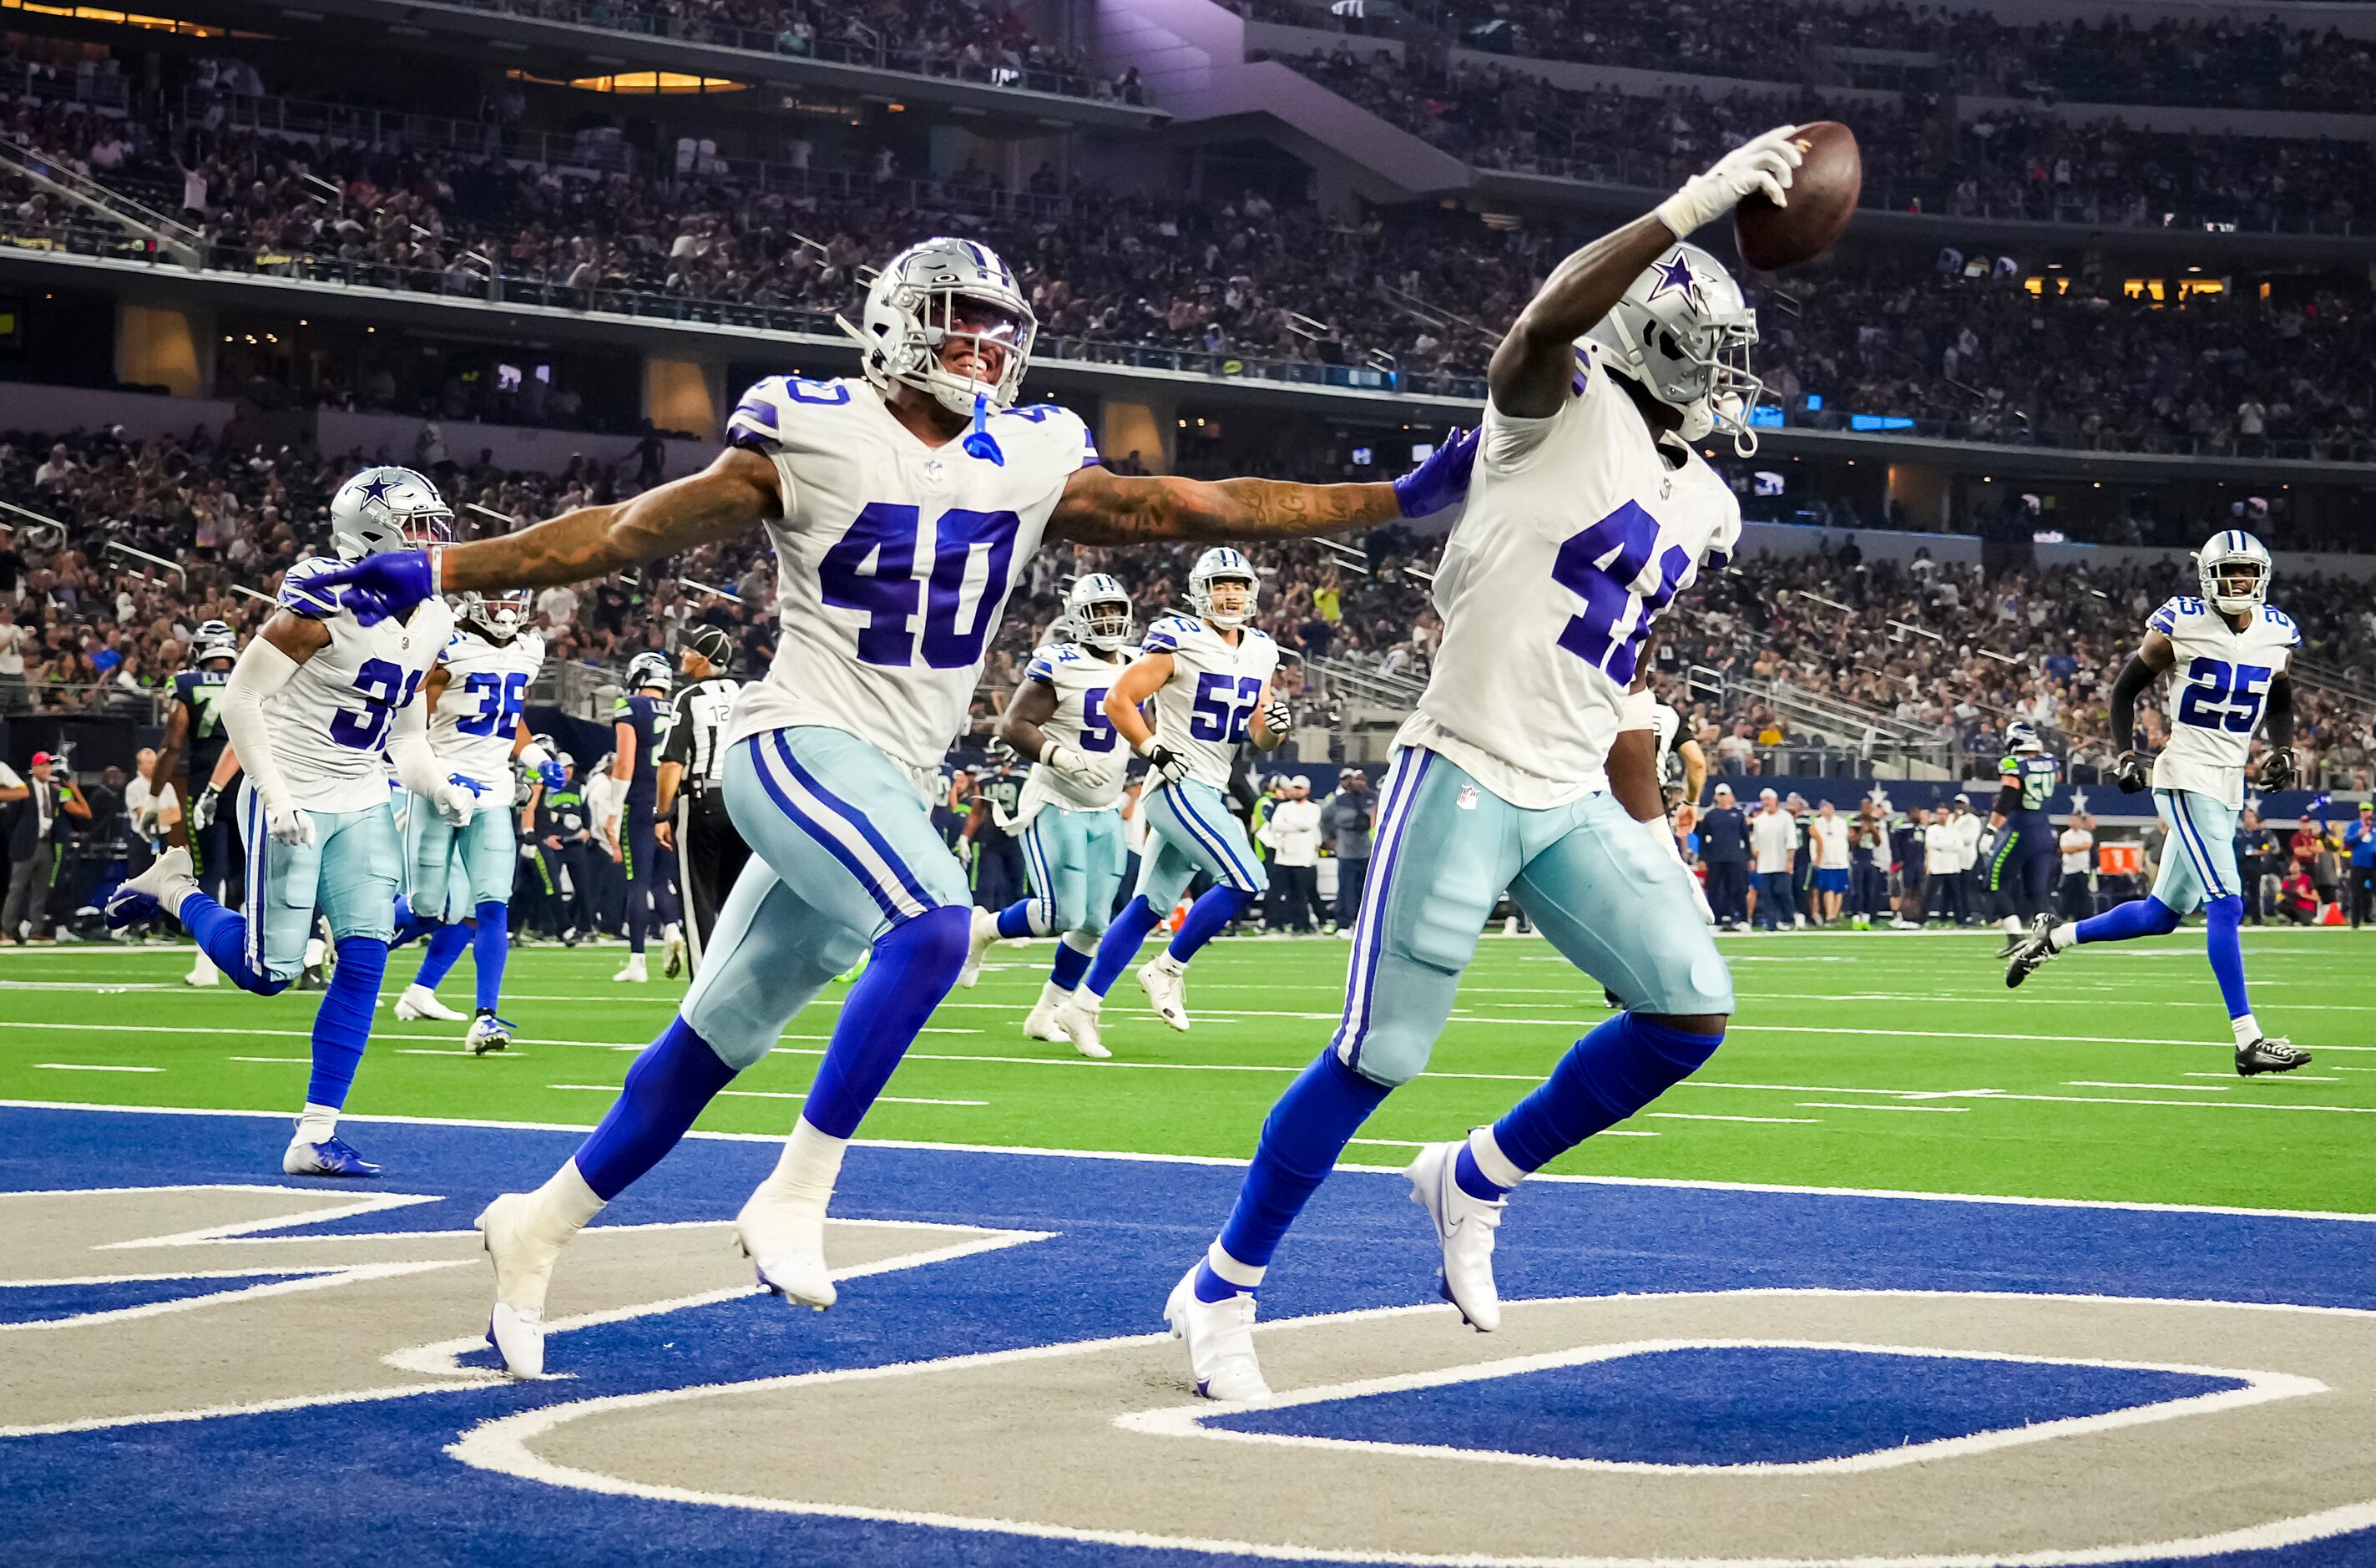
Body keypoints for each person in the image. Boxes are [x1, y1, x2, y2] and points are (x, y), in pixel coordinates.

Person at [305, 232, 1478, 1377]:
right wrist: (446, 568)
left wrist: (1391, 496)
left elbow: (1201, 504)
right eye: (954, 320)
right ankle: (796, 1190)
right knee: (937, 926)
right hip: (794, 740)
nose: (977, 348)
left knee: (717, 1036)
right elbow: (616, 536)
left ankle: (540, 1222)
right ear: (891, 325)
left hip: (892, 776)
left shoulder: (1027, 454)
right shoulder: (812, 430)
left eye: (995, 329)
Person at [1164, 128, 1788, 1400]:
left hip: (1568, 788)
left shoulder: (1709, 501)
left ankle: (1474, 1174)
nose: (1726, 377)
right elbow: (1538, 327)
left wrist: (1651, 828)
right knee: (1376, 1055)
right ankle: (1220, 1289)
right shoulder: (1551, 409)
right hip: (1461, 767)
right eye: (1706, 350)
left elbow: (1611, 677)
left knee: (1687, 1010)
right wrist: (1688, 206)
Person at [105, 467, 475, 1173]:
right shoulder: (320, 606)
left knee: (365, 956)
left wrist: (436, 786)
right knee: (266, 971)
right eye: (419, 527)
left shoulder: (434, 618)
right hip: (293, 793)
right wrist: (275, 797)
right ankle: (174, 887)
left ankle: (314, 1135)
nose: (435, 541)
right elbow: (241, 700)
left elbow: (403, 733)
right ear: (374, 537)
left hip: (362, 793)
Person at [2006, 530, 2310, 1075]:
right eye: (2229, 573)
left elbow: (2281, 692)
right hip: (2186, 777)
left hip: (2227, 785)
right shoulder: (2182, 623)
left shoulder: (2274, 632)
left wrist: (2283, 749)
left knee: (2159, 915)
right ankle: (2248, 1040)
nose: (2239, 582)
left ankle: (2051, 938)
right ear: (2209, 577)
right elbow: (2123, 689)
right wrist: (2125, 753)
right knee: (2227, 903)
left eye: (2247, 572)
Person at [1061, 548, 1288, 1039]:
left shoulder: (1262, 649)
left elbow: (1260, 734)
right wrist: (1153, 749)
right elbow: (1118, 699)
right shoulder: (1179, 637)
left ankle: (1081, 1006)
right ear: (1199, 591)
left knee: (1149, 906)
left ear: (1252, 592)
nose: (1229, 594)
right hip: (1178, 784)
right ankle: (1166, 970)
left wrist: (1276, 727)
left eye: (1238, 585)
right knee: (1248, 878)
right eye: (1219, 585)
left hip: (1211, 783)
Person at [958, 573, 1136, 1058]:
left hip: (1106, 805)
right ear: (1078, 618)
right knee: (1063, 913)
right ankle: (984, 929)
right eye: (1098, 612)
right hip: (1057, 801)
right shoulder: (1061, 663)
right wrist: (1057, 756)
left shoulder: (1139, 665)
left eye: (1115, 611)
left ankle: (1046, 1014)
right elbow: (1014, 724)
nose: (1108, 621)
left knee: (1096, 923)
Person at [389, 587, 560, 1052]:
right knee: (428, 908)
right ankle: (351, 937)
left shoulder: (530, 648)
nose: (505, 611)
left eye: (511, 602)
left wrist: (534, 758)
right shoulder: (449, 645)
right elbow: (407, 724)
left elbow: (511, 719)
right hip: (439, 791)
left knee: (490, 906)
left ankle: (486, 1017)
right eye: (497, 601)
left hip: (493, 795)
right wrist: (440, 776)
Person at [145, 620, 240, 985]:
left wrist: (155, 796)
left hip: (206, 782)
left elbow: (173, 743)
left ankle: (207, 964)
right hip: (250, 779)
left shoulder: (186, 682)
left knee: (211, 870)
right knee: (245, 871)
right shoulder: (249, 673)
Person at [655, 623, 745, 976]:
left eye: (689, 649)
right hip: (743, 803)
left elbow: (672, 761)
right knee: (737, 902)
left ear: (703, 660)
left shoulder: (689, 698)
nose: (682, 653)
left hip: (703, 801)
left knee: (698, 902)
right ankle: (738, 981)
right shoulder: (745, 693)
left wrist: (662, 814)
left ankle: (703, 990)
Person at [605, 650, 683, 981]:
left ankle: (637, 961)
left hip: (639, 799)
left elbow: (624, 762)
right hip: (671, 801)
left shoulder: (631, 705)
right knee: (662, 880)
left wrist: (612, 810)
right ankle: (673, 930)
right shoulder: (678, 706)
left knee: (637, 882)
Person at [1987, 721, 2061, 952]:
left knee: (1993, 880)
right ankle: (2051, 938)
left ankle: (2014, 935)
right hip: (2044, 830)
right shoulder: (2051, 761)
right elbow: (2055, 778)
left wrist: (1990, 830)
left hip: (2020, 830)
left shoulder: (2012, 764)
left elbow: (2007, 799)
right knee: (2037, 889)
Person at [4, 751, 84, 942]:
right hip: (26, 845)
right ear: (34, 768)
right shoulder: (24, 789)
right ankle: (6, 930)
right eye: (42, 765)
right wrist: (18, 840)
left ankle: (36, 930)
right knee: (17, 889)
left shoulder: (55, 793)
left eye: (48, 766)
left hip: (46, 844)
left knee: (41, 890)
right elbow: (10, 820)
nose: (46, 769)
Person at [1259, 774, 1324, 932]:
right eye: (1294, 788)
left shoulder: (1314, 808)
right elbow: (1276, 825)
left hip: (1303, 858)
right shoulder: (1283, 808)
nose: (1296, 791)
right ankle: (1273, 923)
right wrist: (1298, 827)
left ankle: (1300, 924)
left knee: (1300, 894)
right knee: (1276, 892)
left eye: (1299, 788)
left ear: (1307, 790)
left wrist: (1289, 823)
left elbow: (1309, 825)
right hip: (1283, 857)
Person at [1320, 767, 1375, 932]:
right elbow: (1324, 819)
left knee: (1366, 889)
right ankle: (1344, 922)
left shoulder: (1374, 798)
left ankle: (1363, 923)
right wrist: (1330, 840)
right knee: (1346, 888)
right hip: (1347, 849)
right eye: (1356, 779)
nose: (1359, 783)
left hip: (1368, 849)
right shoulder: (1339, 800)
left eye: (1362, 779)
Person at [1698, 781, 1747, 928]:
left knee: (1738, 889)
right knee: (1714, 889)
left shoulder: (1738, 815)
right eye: (1720, 795)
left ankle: (1742, 920)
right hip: (1716, 859)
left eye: (1725, 794)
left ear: (1731, 796)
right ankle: (1716, 921)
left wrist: (1749, 857)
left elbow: (1745, 838)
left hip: (1735, 858)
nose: (1723, 797)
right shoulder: (1710, 816)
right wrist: (1702, 858)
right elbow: (1703, 839)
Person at [1750, 787, 1795, 930]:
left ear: (1775, 800)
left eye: (1768, 799)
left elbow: (1791, 841)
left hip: (1782, 863)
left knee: (1783, 892)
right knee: (1767, 896)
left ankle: (1788, 919)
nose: (1766, 802)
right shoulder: (1760, 820)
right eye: (1763, 800)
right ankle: (1771, 923)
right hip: (1765, 864)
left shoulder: (1785, 817)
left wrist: (1789, 860)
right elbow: (1755, 843)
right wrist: (1754, 859)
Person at [1806, 799, 1848, 926]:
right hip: (1825, 861)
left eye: (1828, 807)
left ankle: (1835, 915)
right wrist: (1815, 857)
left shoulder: (1842, 822)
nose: (1826, 810)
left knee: (1839, 890)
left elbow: (1844, 841)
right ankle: (1829, 916)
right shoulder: (1817, 823)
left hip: (1841, 861)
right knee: (1828, 888)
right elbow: (1814, 842)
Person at [1893, 804, 1929, 928]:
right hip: (1907, 864)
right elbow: (1895, 844)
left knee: (1918, 892)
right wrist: (1899, 860)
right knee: (1906, 891)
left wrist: (1925, 863)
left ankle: (1915, 917)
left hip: (1918, 865)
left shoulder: (1922, 830)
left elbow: (1924, 849)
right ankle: (1903, 916)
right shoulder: (1903, 828)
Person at [2056, 812, 2095, 920]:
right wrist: (2079, 848)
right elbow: (2065, 849)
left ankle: (2083, 916)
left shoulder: (2086, 835)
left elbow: (2087, 846)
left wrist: (2073, 849)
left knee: (2083, 894)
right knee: (2067, 895)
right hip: (2068, 870)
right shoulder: (2065, 835)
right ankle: (2064, 916)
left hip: (2082, 870)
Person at [2344, 800, 2376, 930]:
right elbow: (2347, 841)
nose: (2365, 813)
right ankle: (2355, 922)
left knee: (2372, 893)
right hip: (2358, 864)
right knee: (2356, 893)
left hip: (2374, 864)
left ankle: (2369, 916)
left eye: (2367, 810)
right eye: (2363, 810)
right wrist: (2358, 835)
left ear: (2372, 811)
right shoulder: (2354, 826)